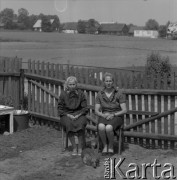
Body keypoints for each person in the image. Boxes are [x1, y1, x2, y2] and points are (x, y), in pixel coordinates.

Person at [95, 72, 127, 154]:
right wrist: (103, 115)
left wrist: (113, 115)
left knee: (109, 127)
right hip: (104, 115)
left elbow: (124, 110)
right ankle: (105, 145)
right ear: (104, 82)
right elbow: (96, 110)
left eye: (110, 81)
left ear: (113, 82)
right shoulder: (100, 94)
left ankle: (111, 146)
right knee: (101, 126)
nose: (108, 83)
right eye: (106, 81)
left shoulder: (118, 93)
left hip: (116, 115)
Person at [58, 76, 88, 156]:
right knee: (68, 124)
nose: (72, 86)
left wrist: (78, 115)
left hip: (79, 113)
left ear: (76, 85)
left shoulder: (81, 94)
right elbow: (60, 109)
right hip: (66, 114)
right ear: (67, 85)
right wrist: (68, 115)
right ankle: (74, 147)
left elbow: (85, 107)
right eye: (70, 84)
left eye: (73, 84)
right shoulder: (63, 94)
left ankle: (80, 147)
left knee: (81, 123)